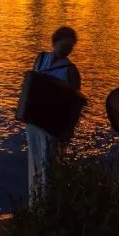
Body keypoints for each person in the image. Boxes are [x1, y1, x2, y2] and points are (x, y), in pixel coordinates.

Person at [25, 26, 81, 205]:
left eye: (70, 48)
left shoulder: (71, 70)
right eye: (64, 46)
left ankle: (48, 206)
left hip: (53, 124)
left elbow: (74, 103)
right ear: (55, 42)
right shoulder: (41, 58)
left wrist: (68, 130)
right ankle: (35, 203)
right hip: (34, 120)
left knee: (49, 164)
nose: (66, 50)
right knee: (34, 160)